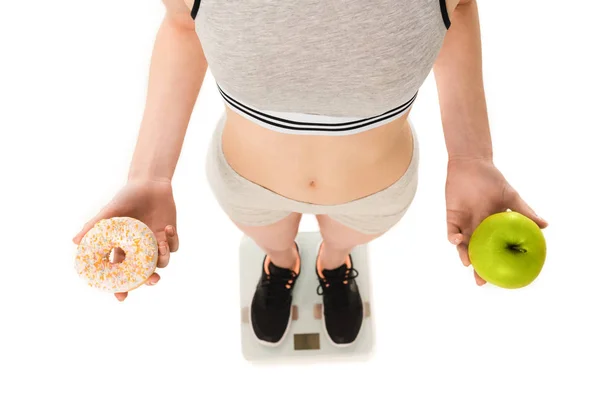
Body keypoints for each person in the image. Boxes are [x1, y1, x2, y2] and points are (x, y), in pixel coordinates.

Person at [72, 0, 548, 347]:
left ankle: (334, 264)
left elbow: (457, 12)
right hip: (248, 186)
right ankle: (281, 265)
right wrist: (150, 175)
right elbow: (182, 27)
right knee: (274, 241)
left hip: (375, 195)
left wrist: (472, 157)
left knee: (341, 240)